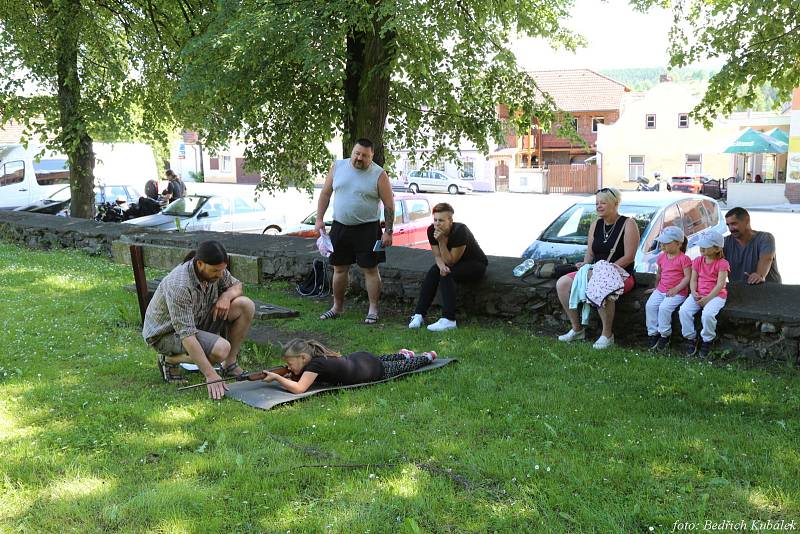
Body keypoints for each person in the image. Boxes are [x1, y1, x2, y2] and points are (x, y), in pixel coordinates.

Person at [142, 240, 256, 399]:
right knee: (221, 349)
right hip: (166, 334)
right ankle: (170, 359)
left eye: (223, 270)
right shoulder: (180, 285)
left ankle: (229, 364)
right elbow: (187, 335)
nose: (220, 275)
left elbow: (237, 286)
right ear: (200, 263)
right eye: (216, 271)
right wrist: (210, 375)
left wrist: (226, 296)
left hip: (197, 320)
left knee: (246, 305)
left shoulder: (217, 269)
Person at [315, 138, 395, 324]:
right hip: (340, 227)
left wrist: (388, 231)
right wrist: (319, 219)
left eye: (364, 156)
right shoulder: (338, 167)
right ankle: (337, 307)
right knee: (339, 269)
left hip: (367, 229)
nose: (359, 158)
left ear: (372, 156)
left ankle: (373, 310)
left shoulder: (379, 174)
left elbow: (389, 205)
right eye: (357, 153)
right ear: (352, 152)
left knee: (370, 270)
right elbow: (325, 193)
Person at [556, 187, 641, 349]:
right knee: (562, 283)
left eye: (603, 202)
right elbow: (590, 252)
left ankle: (607, 335)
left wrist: (604, 270)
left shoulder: (628, 224)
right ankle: (577, 329)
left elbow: (629, 257)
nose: (599, 206)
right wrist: (585, 264)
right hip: (593, 271)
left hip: (621, 273)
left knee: (601, 282)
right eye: (596, 203)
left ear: (615, 204)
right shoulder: (596, 224)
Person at [408, 202, 487, 332]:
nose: (437, 224)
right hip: (453, 262)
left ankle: (449, 319)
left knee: (447, 273)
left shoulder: (460, 231)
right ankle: (419, 315)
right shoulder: (431, 230)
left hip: (475, 264)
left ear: (450, 220)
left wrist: (441, 242)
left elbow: (450, 261)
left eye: (441, 220)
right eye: (435, 220)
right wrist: (441, 266)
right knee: (435, 270)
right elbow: (438, 257)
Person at [262, 338, 437, 394]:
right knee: (383, 359)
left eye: (290, 364)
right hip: (361, 360)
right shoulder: (315, 360)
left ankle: (425, 357)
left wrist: (277, 377)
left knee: (399, 367)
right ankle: (403, 354)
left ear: (303, 357)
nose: (289, 367)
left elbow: (300, 388)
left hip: (371, 371)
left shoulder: (316, 364)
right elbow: (302, 378)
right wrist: (290, 376)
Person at [678, 230, 729, 358]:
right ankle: (691, 338)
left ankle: (707, 340)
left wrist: (707, 299)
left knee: (707, 314)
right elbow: (693, 279)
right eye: (701, 245)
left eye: (706, 246)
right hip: (698, 293)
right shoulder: (697, 261)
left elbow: (720, 285)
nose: (701, 248)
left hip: (716, 296)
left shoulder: (722, 264)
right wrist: (694, 292)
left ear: (717, 249)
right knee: (684, 311)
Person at [644, 226, 691, 351]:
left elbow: (687, 277)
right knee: (650, 306)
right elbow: (659, 274)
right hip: (661, 290)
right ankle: (653, 333)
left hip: (678, 292)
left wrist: (676, 289)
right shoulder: (662, 257)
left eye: (666, 243)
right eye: (662, 243)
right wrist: (656, 288)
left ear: (678, 244)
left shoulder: (684, 259)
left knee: (664, 308)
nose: (662, 246)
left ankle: (665, 335)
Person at [723, 207, 781, 284]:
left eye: (734, 224)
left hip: (769, 291)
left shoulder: (765, 238)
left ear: (747, 220)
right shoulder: (724, 242)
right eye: (728, 225)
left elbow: (767, 258)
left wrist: (759, 275)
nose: (731, 228)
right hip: (739, 291)